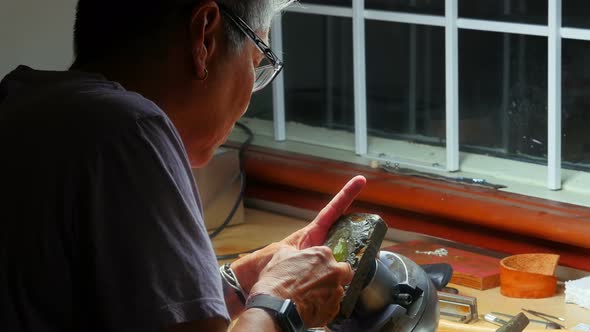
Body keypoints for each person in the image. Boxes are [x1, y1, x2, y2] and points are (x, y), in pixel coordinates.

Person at [0, 0, 368, 331]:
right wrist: (283, 302)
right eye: (257, 63)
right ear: (205, 37)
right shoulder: (129, 128)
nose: (250, 99)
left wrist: (239, 284)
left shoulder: (22, 101)